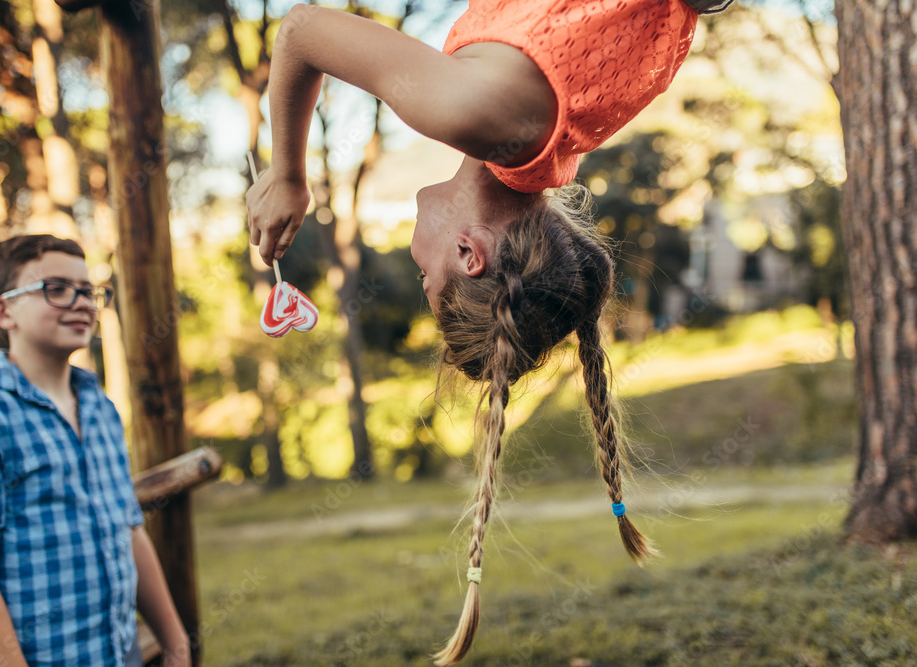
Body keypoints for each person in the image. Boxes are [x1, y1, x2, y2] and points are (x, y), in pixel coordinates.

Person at [246, 1, 732, 663]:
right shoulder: (464, 112)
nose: (418, 267)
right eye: (429, 282)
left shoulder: (556, 137)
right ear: (469, 255)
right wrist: (288, 176)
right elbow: (300, 30)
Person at [0, 235, 190, 666]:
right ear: (2, 310)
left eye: (88, 290)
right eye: (57, 288)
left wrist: (175, 643)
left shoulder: (100, 408)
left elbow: (129, 527)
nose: (81, 302)